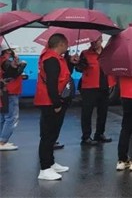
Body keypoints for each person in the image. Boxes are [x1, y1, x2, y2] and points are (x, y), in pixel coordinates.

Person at [35, 34, 72, 181]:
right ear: (61, 44)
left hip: (51, 101)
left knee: (52, 134)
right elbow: (51, 84)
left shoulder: (55, 58)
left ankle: (50, 163)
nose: (67, 47)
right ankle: (44, 168)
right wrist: (57, 104)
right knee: (48, 136)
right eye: (66, 44)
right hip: (50, 103)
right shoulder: (51, 59)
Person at [76, 38, 112, 146]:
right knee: (87, 112)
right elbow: (79, 69)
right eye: (92, 42)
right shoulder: (85, 53)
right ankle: (86, 136)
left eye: (96, 41)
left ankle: (99, 134)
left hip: (104, 86)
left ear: (101, 40)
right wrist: (79, 63)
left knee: (103, 112)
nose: (93, 43)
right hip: (89, 87)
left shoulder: (107, 53)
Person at [0, 44, 25, 151]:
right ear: (8, 51)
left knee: (2, 117)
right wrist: (21, 65)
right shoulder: (6, 61)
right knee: (11, 117)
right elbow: (12, 74)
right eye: (13, 50)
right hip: (10, 91)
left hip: (5, 91)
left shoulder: (3, 60)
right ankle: (2, 141)